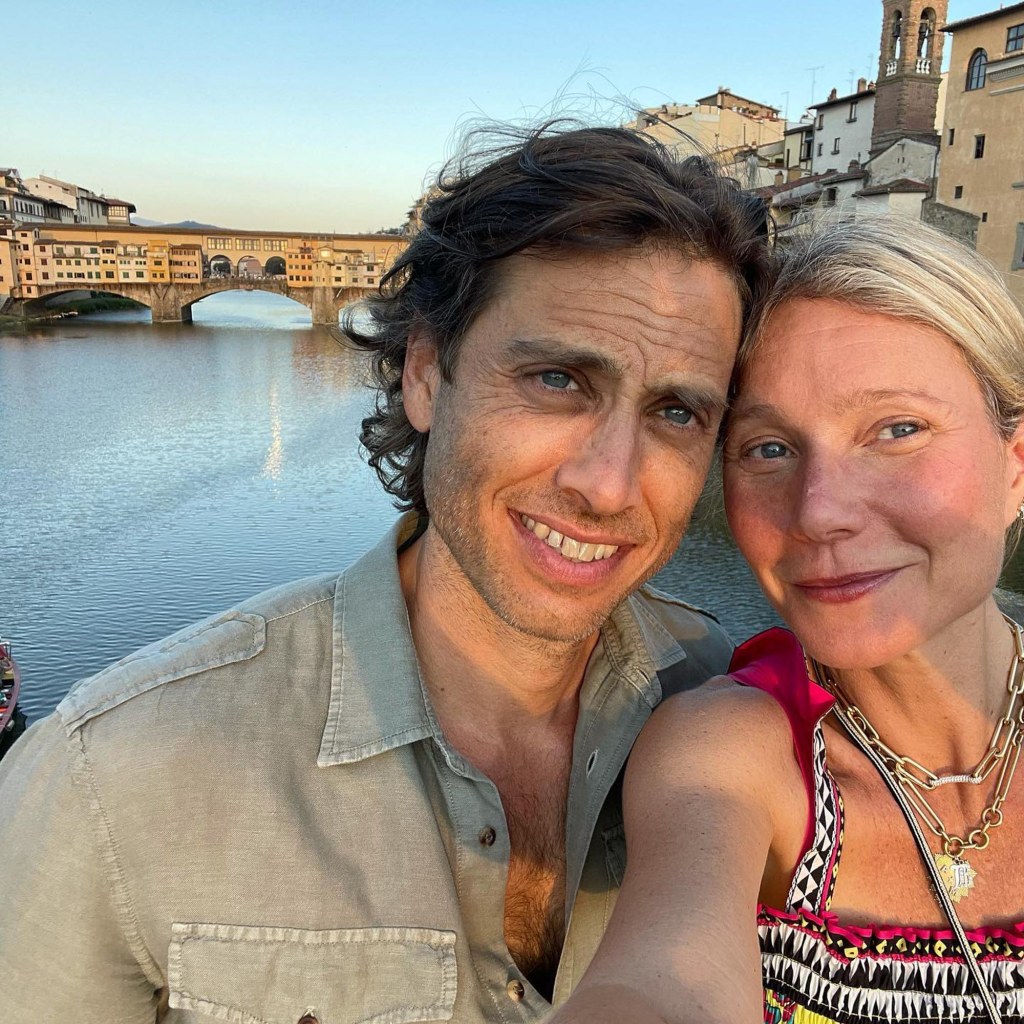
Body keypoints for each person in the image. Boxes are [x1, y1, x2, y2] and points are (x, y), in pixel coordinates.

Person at [0, 124, 771, 1022]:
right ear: (424, 375)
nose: (606, 484)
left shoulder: (727, 700)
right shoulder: (111, 774)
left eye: (676, 411)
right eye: (558, 380)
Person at [547, 216, 1024, 1024]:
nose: (819, 512)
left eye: (898, 429)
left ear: (1015, 467)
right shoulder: (732, 750)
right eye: (768, 448)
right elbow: (664, 982)